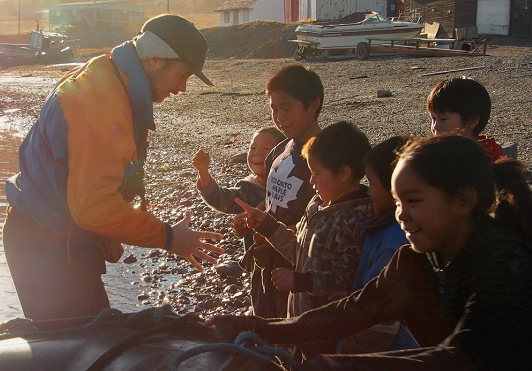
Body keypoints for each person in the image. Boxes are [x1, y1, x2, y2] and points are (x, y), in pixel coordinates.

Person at [211, 135, 532, 370]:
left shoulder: (505, 266)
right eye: (398, 200)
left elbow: (458, 358)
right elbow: (350, 313)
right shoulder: (413, 262)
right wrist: (257, 327)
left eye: (414, 201)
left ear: (463, 201)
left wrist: (337, 366)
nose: (400, 214)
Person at [2, 14, 225, 321]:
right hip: (45, 245)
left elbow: (88, 183)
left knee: (95, 339)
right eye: (183, 74)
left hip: (58, 236)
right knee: (80, 349)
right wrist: (168, 237)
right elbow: (93, 207)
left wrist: (105, 231)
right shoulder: (101, 101)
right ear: (157, 59)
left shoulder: (112, 77)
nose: (182, 88)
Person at [234, 121, 374, 354]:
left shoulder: (352, 220)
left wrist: (300, 281)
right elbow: (298, 249)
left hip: (325, 329)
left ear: (344, 173)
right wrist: (268, 226)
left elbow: (346, 279)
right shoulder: (317, 205)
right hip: (302, 320)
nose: (311, 181)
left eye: (316, 174)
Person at [231, 64, 323, 319]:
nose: (279, 117)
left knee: (291, 332)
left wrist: (278, 232)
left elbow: (328, 217)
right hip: (265, 264)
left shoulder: (324, 157)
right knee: (263, 328)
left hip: (295, 270)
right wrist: (251, 219)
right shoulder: (279, 151)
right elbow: (272, 199)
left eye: (287, 108)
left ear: (313, 103)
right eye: (274, 109)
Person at [335, 135, 417, 354]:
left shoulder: (396, 241)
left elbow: (381, 320)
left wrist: (347, 356)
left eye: (372, 182)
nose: (368, 191)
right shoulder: (383, 228)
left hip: (389, 355)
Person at [192, 126, 285, 313]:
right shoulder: (247, 188)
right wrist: (203, 172)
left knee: (286, 305)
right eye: (252, 148)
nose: (257, 153)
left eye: (267, 149)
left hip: (287, 259)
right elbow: (221, 199)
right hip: (258, 263)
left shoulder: (289, 187)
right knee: (263, 305)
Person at [426, 76, 503, 160]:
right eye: (433, 118)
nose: (435, 126)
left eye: (443, 119)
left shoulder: (482, 159)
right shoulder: (436, 151)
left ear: (472, 121)